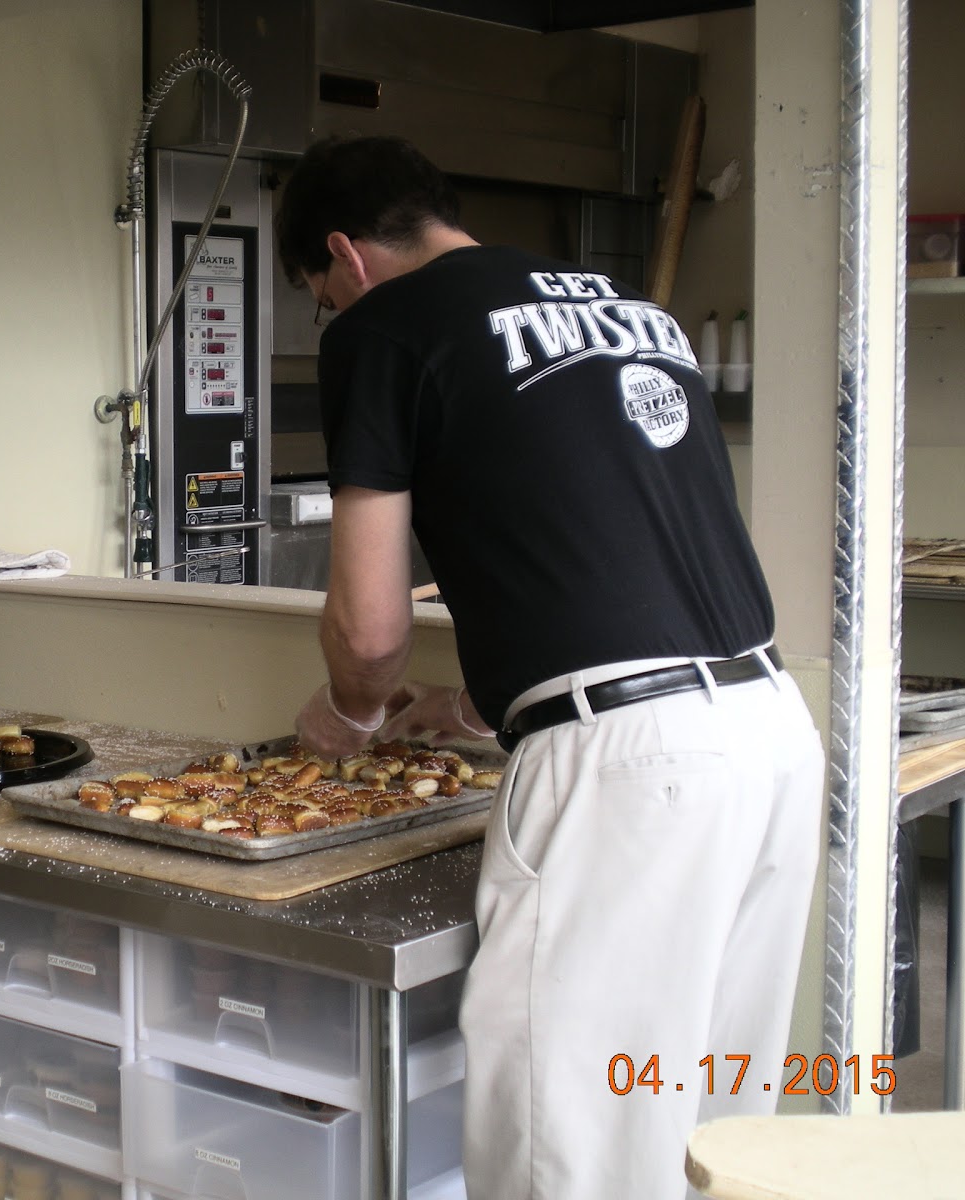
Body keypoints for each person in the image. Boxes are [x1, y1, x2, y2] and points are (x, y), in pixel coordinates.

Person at [279, 137, 824, 1200]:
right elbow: (602, 542)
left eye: (319, 295)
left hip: (631, 778)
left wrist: (350, 713)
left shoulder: (385, 326)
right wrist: (480, 704)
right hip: (765, 731)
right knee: (708, 1127)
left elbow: (370, 629)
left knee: (565, 1143)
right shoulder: (628, 308)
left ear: (343, 257)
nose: (333, 313)